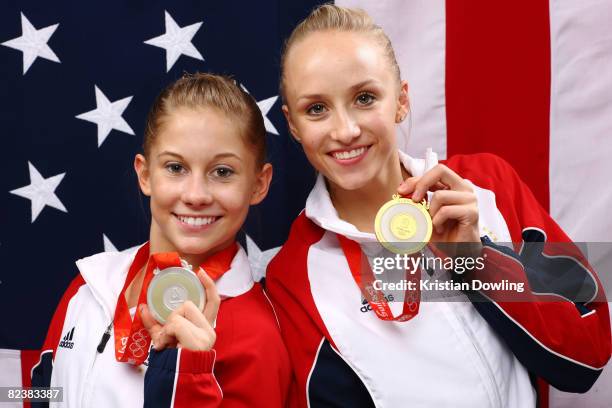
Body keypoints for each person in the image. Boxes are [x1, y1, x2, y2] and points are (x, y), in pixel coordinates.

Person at [266, 5, 611, 408]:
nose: (345, 130)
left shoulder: (488, 183)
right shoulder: (291, 278)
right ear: (293, 125)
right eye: (316, 109)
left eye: (364, 97)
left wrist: (476, 260)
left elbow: (588, 355)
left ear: (401, 100)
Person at [31, 73, 291, 407]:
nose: (196, 195)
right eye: (175, 167)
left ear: (258, 184)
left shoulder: (258, 336)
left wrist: (188, 377)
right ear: (145, 174)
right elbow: (40, 391)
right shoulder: (89, 285)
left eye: (222, 172)